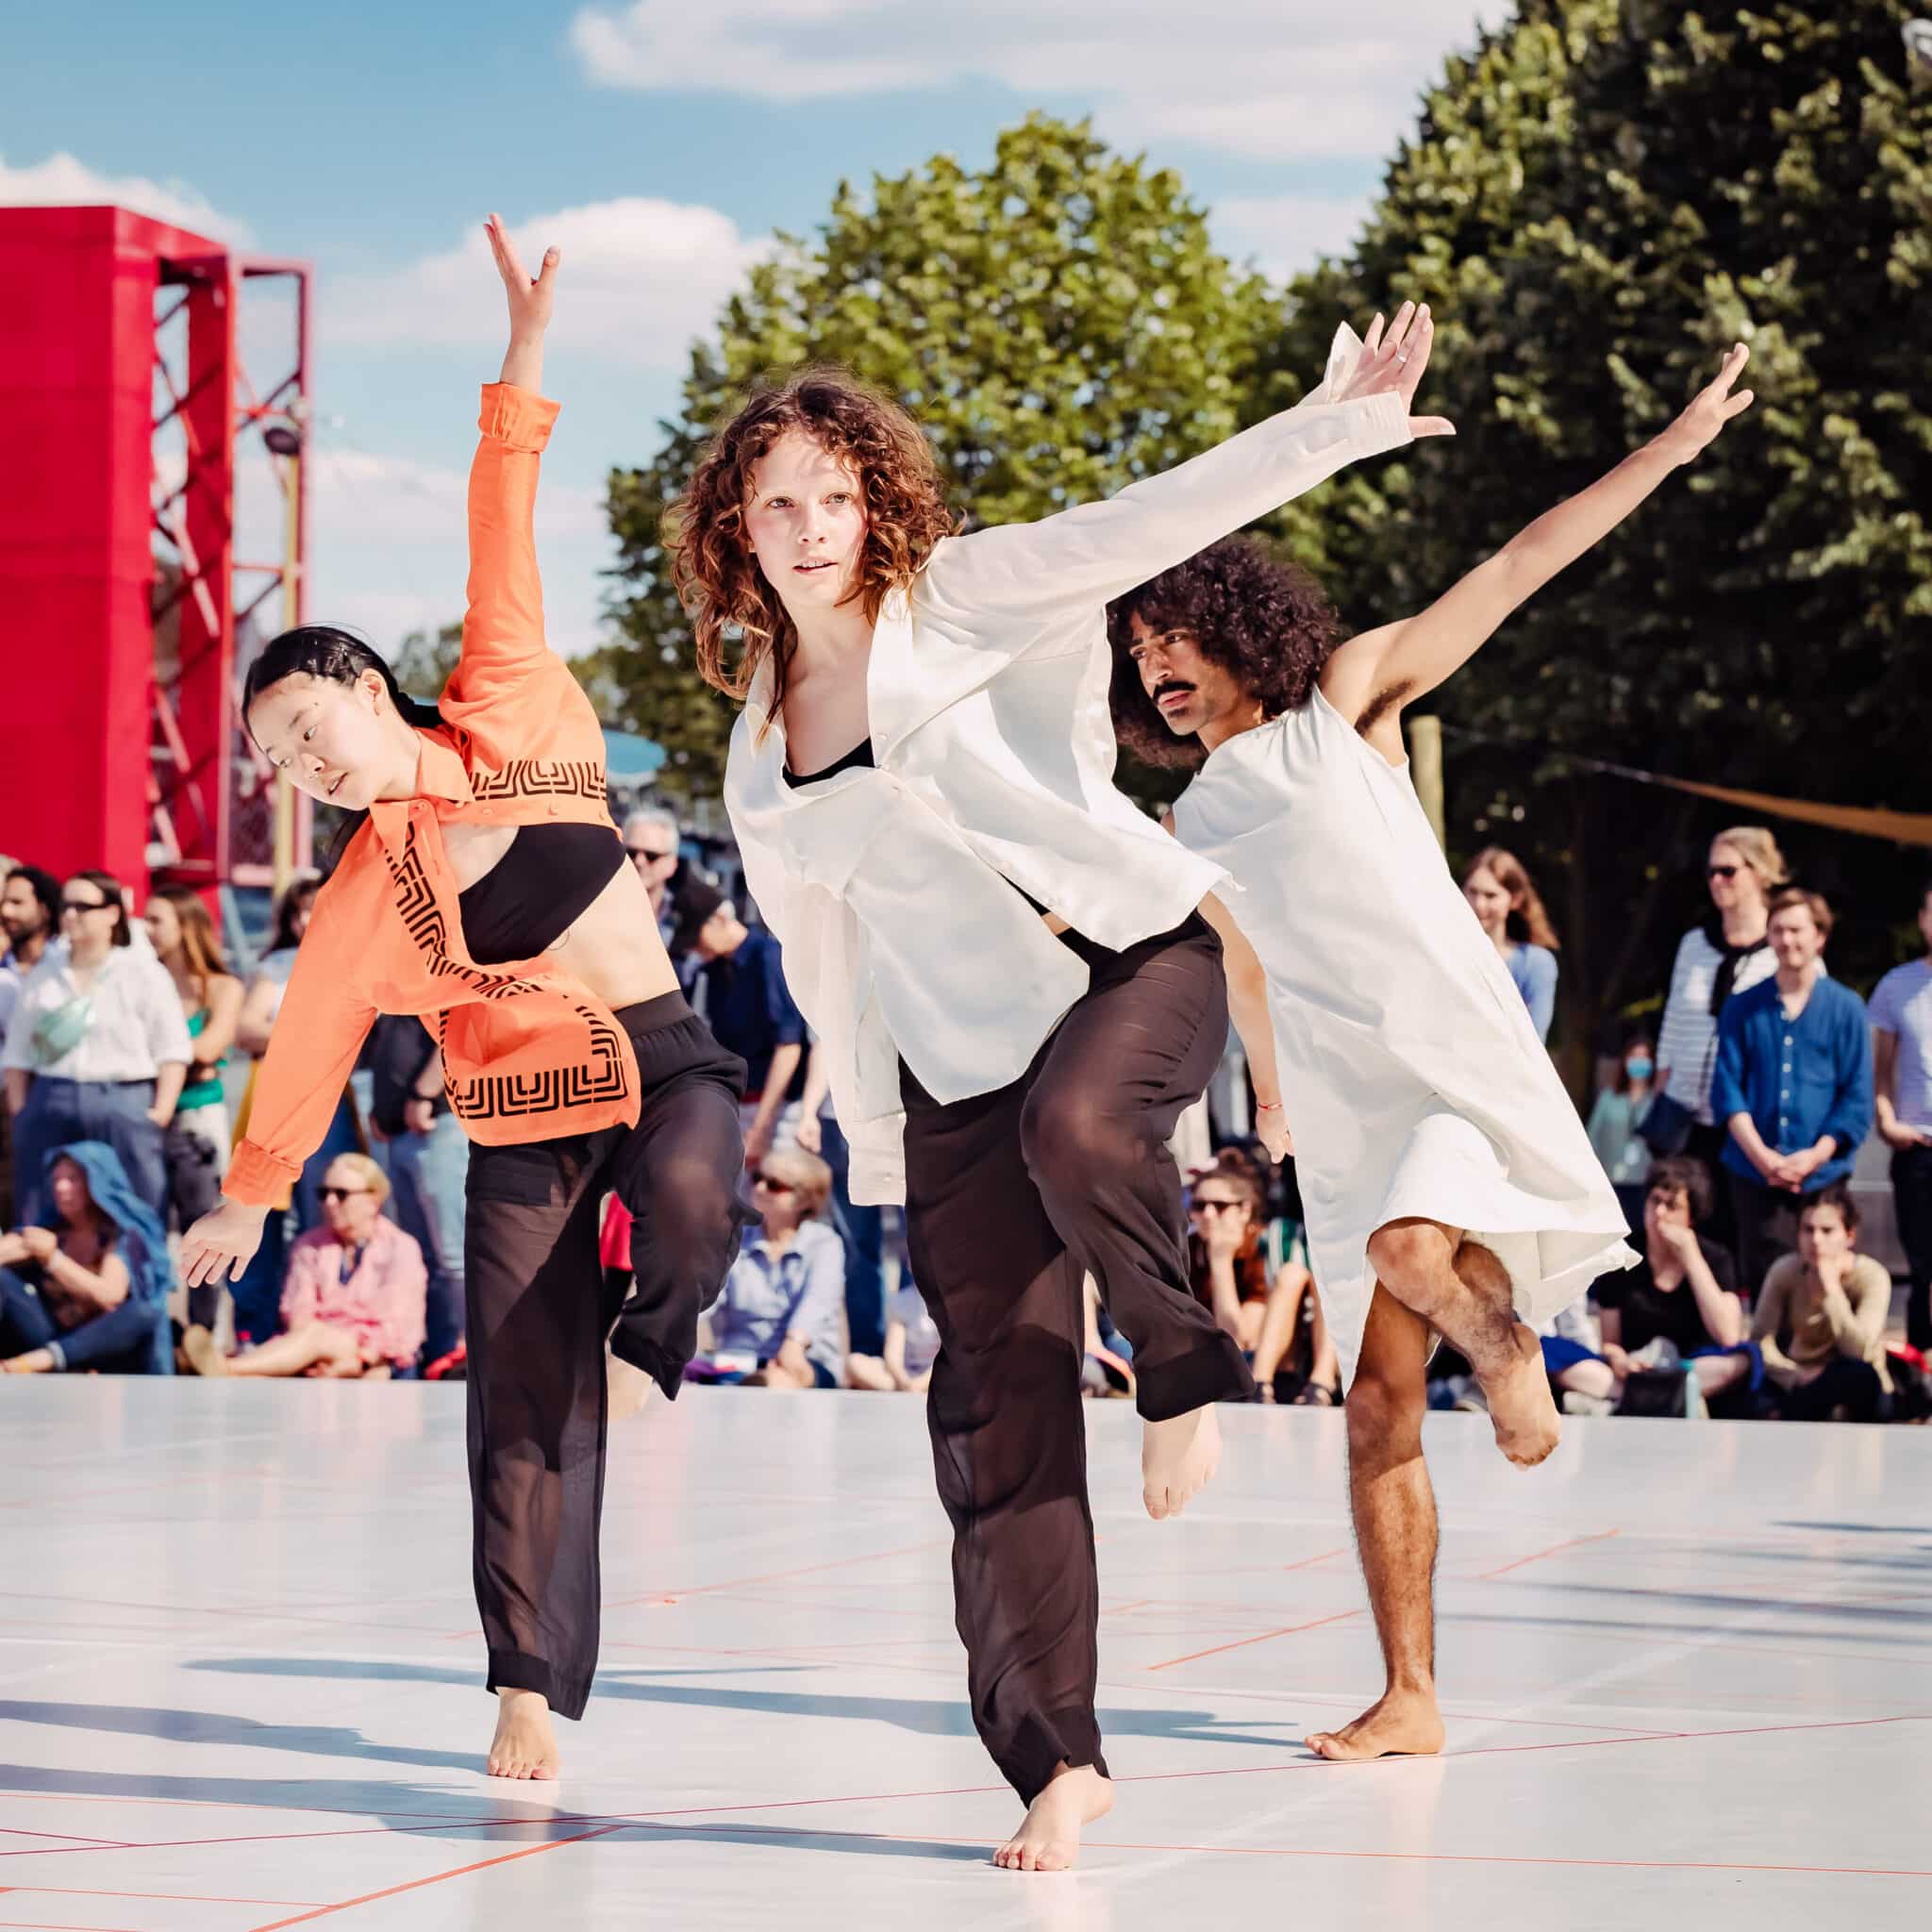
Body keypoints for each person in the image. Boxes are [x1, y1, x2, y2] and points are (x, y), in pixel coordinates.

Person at [689, 287, 1442, 1868]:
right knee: (992, 1405)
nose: (811, 525)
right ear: (736, 531)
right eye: (778, 504)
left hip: (1123, 963)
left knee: (1080, 1121)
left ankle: (1181, 1361)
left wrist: (1335, 425)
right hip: (952, 1071)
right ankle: (1058, 1756)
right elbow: (829, 967)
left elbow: (1139, 518)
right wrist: (869, 1139)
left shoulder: (956, 596)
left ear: (870, 501)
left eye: (833, 494)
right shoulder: (759, 752)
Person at [1112, 340, 1756, 1763]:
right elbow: (1245, 959)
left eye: (1175, 635)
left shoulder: (1348, 699)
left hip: (1454, 1074)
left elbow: (1520, 564)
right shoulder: (1189, 824)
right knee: (1374, 1409)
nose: (1156, 665)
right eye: (1138, 652)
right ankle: (1412, 1694)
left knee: (1418, 1251)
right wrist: (1270, 1092)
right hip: (1343, 1109)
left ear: (1239, 623)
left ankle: (1516, 1345)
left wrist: (1670, 448)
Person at [178, 218, 747, 1785]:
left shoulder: (506, 691)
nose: (302, 766)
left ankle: (660, 1339)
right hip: (516, 1123)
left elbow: (504, 508)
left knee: (700, 1188)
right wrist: (250, 1187)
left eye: (308, 727)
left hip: (658, 1055)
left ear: (367, 685)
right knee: (515, 1397)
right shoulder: (367, 889)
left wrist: (526, 347)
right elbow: (305, 1038)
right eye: (276, 759)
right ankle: (524, 1676)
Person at [225, 874, 364, 1347]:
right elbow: (245, 1029)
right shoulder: (278, 965)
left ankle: (316, 1321)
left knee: (323, 1208)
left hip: (333, 1102)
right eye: (302, 910)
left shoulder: (360, 963)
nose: (309, 919)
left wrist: (285, 1035)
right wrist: (309, 1039)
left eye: (318, 907)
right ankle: (255, 1327)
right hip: (274, 1096)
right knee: (258, 1206)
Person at [4, 870, 190, 1223]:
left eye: (82, 906)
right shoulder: (45, 972)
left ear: (112, 913)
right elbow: (18, 1050)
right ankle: (41, 1277)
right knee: (40, 1205)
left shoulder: (142, 972)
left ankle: (139, 1277)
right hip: (51, 1098)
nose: (70, 915)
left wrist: (158, 1113)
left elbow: (173, 1049)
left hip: (123, 1099)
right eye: (65, 906)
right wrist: (22, 1110)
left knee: (137, 1206)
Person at [1712, 887, 1873, 1294]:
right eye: (1778, 930)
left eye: (1797, 930)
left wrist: (1813, 1157)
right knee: (1768, 1283)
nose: (1787, 941)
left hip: (1823, 1174)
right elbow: (1728, 1089)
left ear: (1819, 936)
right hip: (1754, 1172)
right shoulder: (1741, 1006)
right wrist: (1765, 1159)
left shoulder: (1847, 1007)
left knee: (1825, 1282)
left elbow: (1855, 1097)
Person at [1546, 1157, 1759, 1417]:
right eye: (1654, 1201)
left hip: (1690, 1368)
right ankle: (1659, 1397)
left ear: (1691, 1216)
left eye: (1671, 1206)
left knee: (1745, 1360)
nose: (1659, 1213)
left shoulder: (1715, 1257)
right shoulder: (1624, 1255)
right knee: (1548, 1351)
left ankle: (1648, 1397)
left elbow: (1728, 1335)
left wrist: (1691, 1258)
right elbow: (1610, 1343)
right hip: (1632, 1372)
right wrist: (1621, 1361)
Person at [184, 1154, 426, 1380]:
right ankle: (231, 1368)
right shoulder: (309, 1245)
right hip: (315, 1348)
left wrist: (362, 1360)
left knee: (315, 1338)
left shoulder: (401, 1248)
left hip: (378, 1354)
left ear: (373, 1200)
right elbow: (297, 1311)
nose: (330, 1202)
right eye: (324, 1193)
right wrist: (322, 1355)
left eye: (341, 1194)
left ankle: (228, 1368)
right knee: (310, 1340)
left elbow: (398, 1323)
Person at [1653, 826, 1785, 1228]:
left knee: (1742, 1233)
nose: (1716, 881)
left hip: (1749, 1121)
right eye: (1710, 871)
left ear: (1759, 873)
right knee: (1683, 1226)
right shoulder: (1694, 943)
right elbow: (1673, 1023)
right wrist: (1662, 1091)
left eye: (1727, 871)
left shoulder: (1787, 945)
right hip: (1686, 1116)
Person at [0, 1141, 174, 1374]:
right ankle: (51, 1359)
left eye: (72, 1179)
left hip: (101, 1346)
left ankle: (51, 1358)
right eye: (57, 1179)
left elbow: (110, 1296)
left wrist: (53, 1259)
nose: (61, 1187)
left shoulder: (118, 1235)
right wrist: (24, 1249)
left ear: (97, 1183)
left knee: (145, 1311)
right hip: (48, 1333)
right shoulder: (49, 1229)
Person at [1186, 1151, 1335, 1404]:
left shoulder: (1263, 1247)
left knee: (1292, 1274)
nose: (1208, 1214)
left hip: (1274, 1364)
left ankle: (1275, 1385)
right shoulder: (1188, 1250)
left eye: (1220, 1207)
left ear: (1245, 1211)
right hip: (1211, 1367)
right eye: (1199, 1206)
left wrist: (1220, 1262)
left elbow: (1240, 1341)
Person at [693, 1145, 844, 1389]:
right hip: (738, 1358)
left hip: (804, 1358)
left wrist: (794, 1343)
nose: (759, 1188)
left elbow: (818, 1302)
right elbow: (709, 1297)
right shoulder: (733, 1240)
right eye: (757, 1178)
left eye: (774, 1185)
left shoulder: (825, 1243)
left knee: (786, 1376)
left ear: (805, 1199)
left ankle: (768, 1383)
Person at [366, 1012, 468, 1369]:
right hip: (401, 1134)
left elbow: (461, 1030)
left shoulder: (439, 968)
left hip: (438, 1124)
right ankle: (440, 1353)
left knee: (454, 1254)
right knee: (419, 1256)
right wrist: (383, 1108)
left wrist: (424, 1092)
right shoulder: (396, 978)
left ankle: (476, 1352)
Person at [680, 884, 808, 1167]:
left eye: (696, 936)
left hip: (778, 1107)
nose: (694, 947)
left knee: (777, 1198)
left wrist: (761, 1127)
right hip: (738, 1104)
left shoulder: (769, 957)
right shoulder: (713, 969)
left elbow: (788, 1046)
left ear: (720, 920)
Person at [144, 888, 243, 1242]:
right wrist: (189, 1061)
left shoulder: (222, 987)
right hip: (147, 1118)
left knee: (202, 1230)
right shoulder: (143, 984)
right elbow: (198, 1056)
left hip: (197, 1120)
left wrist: (160, 1056)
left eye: (156, 920)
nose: (146, 929)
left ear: (186, 926)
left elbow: (211, 1046)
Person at [1752, 1185, 1892, 1422]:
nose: (1816, 1240)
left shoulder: (1872, 1276)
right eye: (1808, 1230)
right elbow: (1760, 1342)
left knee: (1857, 1376)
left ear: (1849, 1236)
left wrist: (1832, 1290)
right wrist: (1794, 1375)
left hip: (1858, 1380)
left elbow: (1861, 1351)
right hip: (1801, 1378)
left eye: (1827, 1231)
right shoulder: (1785, 1270)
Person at [1870, 879, 1932, 1353]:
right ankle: (1920, 1379)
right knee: (1923, 1268)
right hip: (1917, 1149)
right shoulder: (1897, 985)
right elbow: (1881, 1072)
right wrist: (1887, 1122)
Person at [798, 1034, 886, 1357]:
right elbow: (826, 1038)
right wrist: (808, 1111)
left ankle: (923, 1349)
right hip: (843, 1121)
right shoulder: (837, 983)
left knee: (921, 1241)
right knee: (856, 1244)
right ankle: (868, 1350)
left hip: (908, 1114)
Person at [1461, 847, 1559, 1042]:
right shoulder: (1446, 953)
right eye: (1472, 892)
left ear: (1514, 900)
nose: (1479, 904)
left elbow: (1533, 1040)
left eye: (1491, 895)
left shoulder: (1535, 963)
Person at [1587, 1030, 1658, 1232]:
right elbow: (1592, 1135)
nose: (1639, 1062)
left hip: (1643, 1181)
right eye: (1634, 1056)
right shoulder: (1609, 1097)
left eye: (1644, 1057)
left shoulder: (1656, 1100)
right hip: (1610, 1181)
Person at [845, 1274, 941, 1392]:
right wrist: (904, 1380)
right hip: (906, 1374)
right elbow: (893, 1355)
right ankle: (910, 1389)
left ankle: (921, 1389)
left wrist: (922, 1384)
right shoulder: (902, 1300)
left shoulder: (952, 1302)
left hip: (939, 1375)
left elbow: (950, 1357)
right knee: (854, 1363)